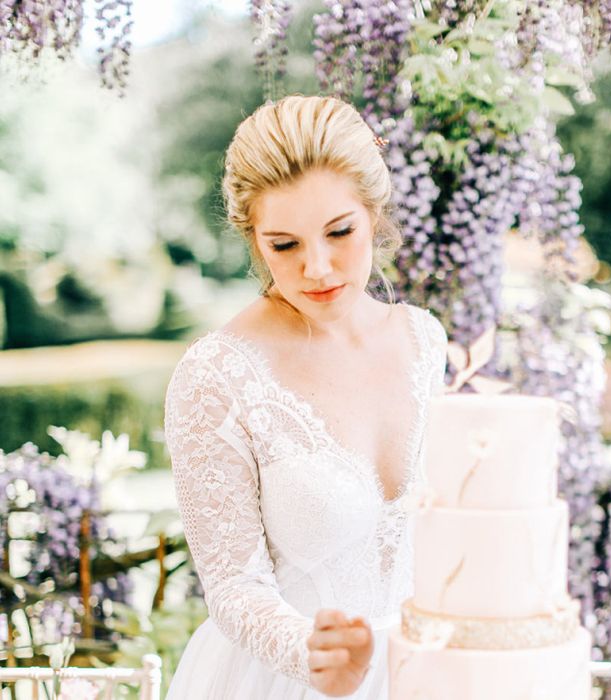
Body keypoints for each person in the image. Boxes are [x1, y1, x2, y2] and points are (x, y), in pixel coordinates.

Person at [163, 94, 447, 699]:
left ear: (374, 212)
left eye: (339, 232)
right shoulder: (215, 375)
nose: (317, 267)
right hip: (285, 682)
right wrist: (313, 655)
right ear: (253, 239)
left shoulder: (425, 340)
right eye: (284, 245)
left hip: (420, 675)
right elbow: (234, 587)